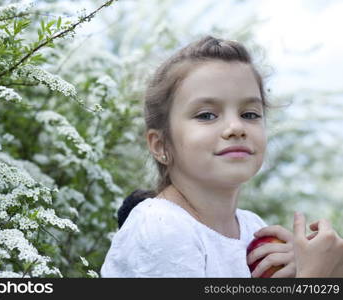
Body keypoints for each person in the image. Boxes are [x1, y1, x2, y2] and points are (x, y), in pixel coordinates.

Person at [100, 35, 343, 277]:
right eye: (206, 115)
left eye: (249, 114)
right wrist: (315, 277)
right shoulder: (160, 228)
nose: (236, 127)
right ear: (161, 144)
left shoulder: (252, 228)